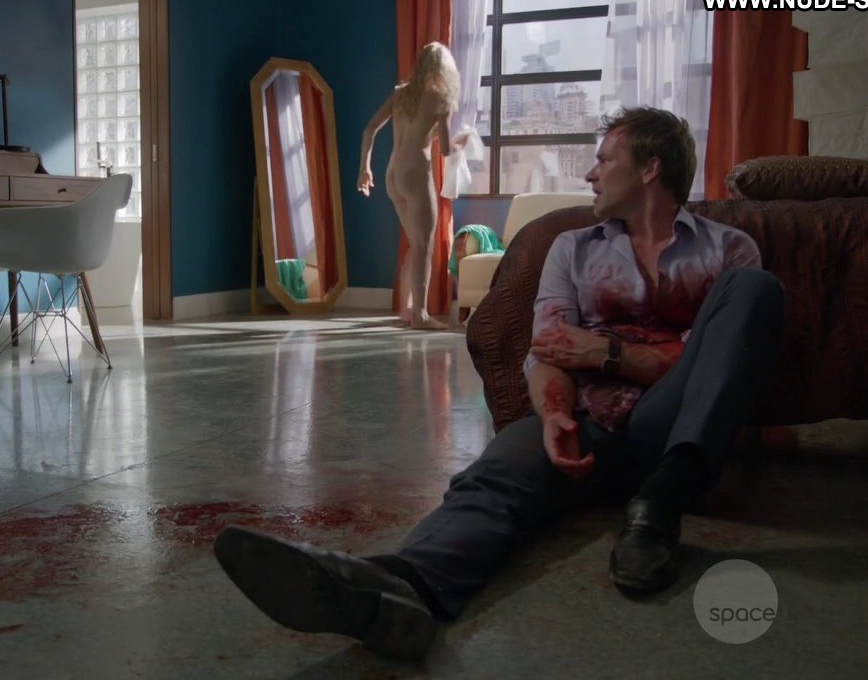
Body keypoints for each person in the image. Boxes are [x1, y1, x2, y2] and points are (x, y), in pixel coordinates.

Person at [213, 107, 786, 661]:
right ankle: (398, 591)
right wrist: (554, 413)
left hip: (667, 425)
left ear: (650, 168)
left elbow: (712, 366)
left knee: (758, 292)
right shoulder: (572, 248)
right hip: (583, 416)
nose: (590, 173)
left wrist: (605, 351)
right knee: (492, 478)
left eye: (605, 159)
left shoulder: (727, 250)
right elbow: (549, 350)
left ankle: (660, 505)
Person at [357, 41, 468, 330]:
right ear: (446, 69)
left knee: (415, 244)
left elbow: (369, 129)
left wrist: (364, 169)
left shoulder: (402, 94)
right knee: (423, 246)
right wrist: (463, 143)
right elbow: (446, 149)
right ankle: (420, 315)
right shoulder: (442, 99)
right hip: (417, 172)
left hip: (393, 174)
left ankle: (408, 307)